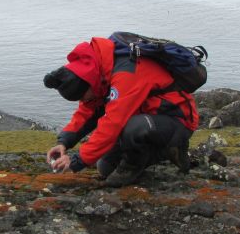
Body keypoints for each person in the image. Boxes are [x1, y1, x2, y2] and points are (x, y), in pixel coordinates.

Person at [44, 37, 199, 186]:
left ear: (89, 85)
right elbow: (88, 112)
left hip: (177, 119)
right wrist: (63, 142)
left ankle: (144, 161)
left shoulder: (126, 72)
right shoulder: (96, 72)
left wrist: (76, 162)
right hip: (145, 116)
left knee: (134, 128)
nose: (83, 101)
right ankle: (160, 152)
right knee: (104, 168)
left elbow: (113, 122)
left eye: (82, 97)